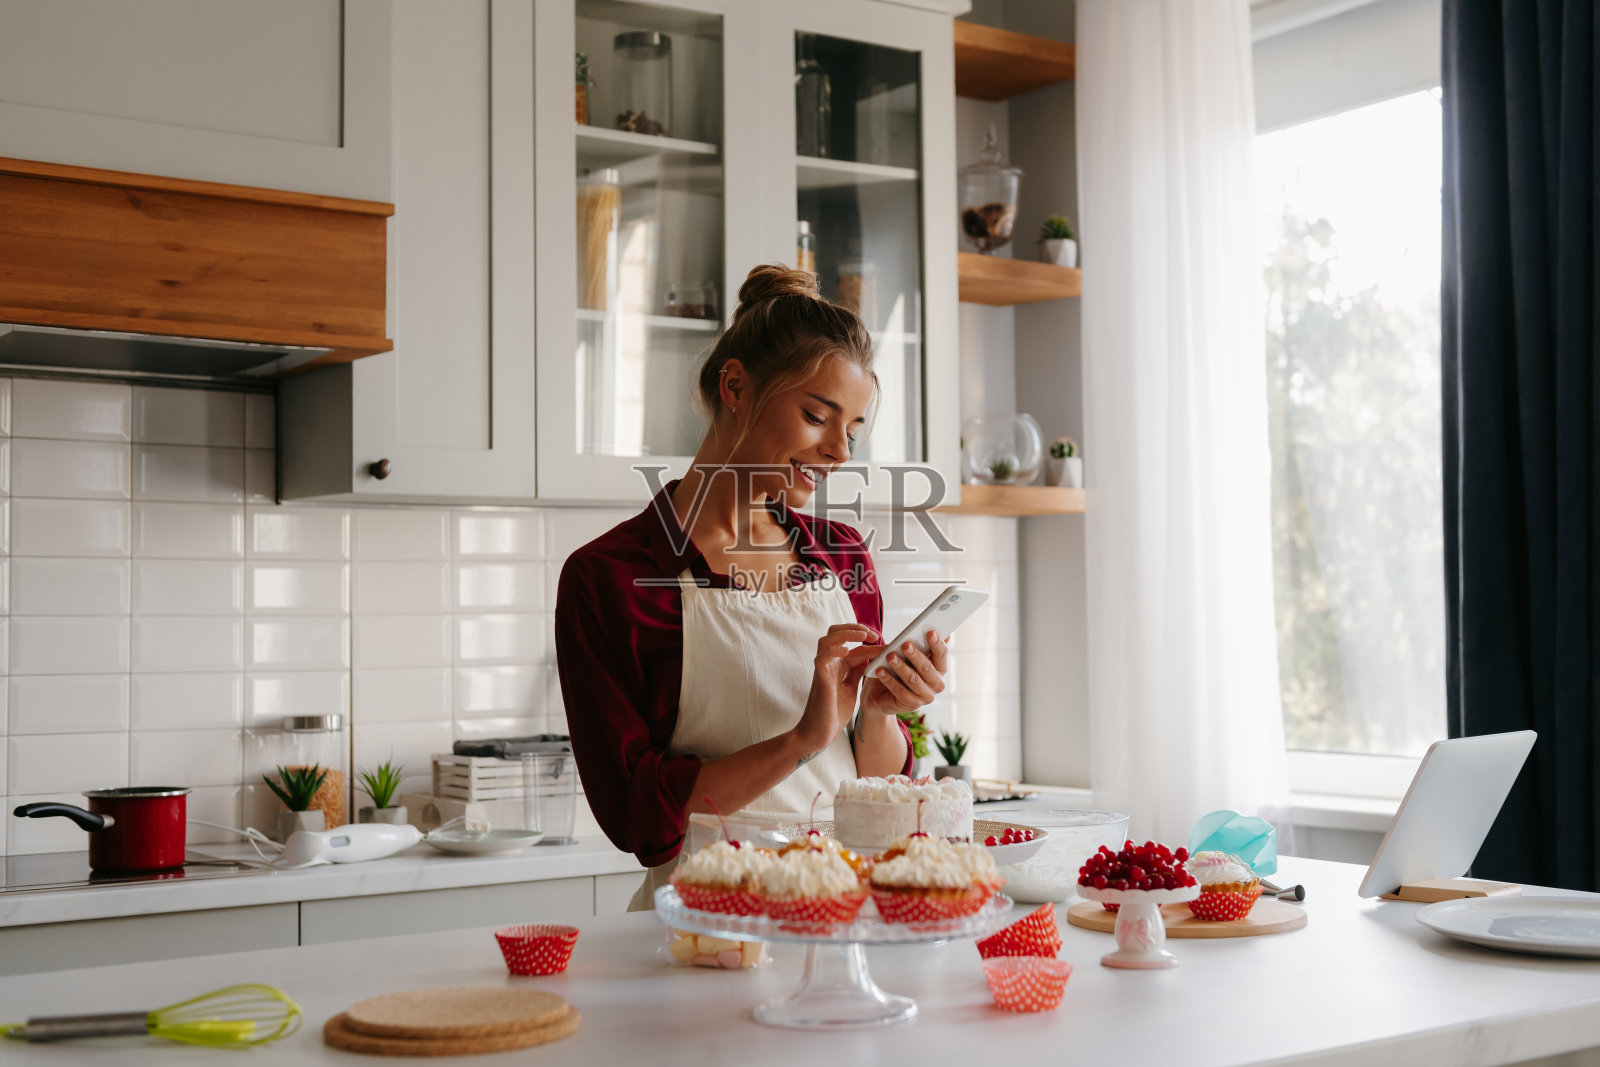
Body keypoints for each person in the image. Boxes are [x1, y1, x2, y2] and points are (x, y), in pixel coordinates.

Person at [555, 264, 951, 911]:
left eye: (851, 429)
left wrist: (878, 709)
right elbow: (639, 821)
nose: (838, 452)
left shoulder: (842, 556)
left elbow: (878, 780)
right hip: (703, 927)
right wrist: (801, 739)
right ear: (735, 384)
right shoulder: (612, 577)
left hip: (845, 916)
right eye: (817, 415)